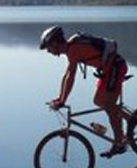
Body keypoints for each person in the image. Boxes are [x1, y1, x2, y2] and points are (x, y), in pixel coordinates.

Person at [39, 25, 131, 158]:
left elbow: (71, 76)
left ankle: (119, 143)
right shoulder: (71, 49)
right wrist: (60, 98)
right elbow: (67, 75)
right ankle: (131, 119)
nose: (48, 51)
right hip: (108, 70)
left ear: (55, 43)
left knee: (109, 105)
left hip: (116, 68)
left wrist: (62, 100)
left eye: (48, 47)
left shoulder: (74, 49)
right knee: (99, 101)